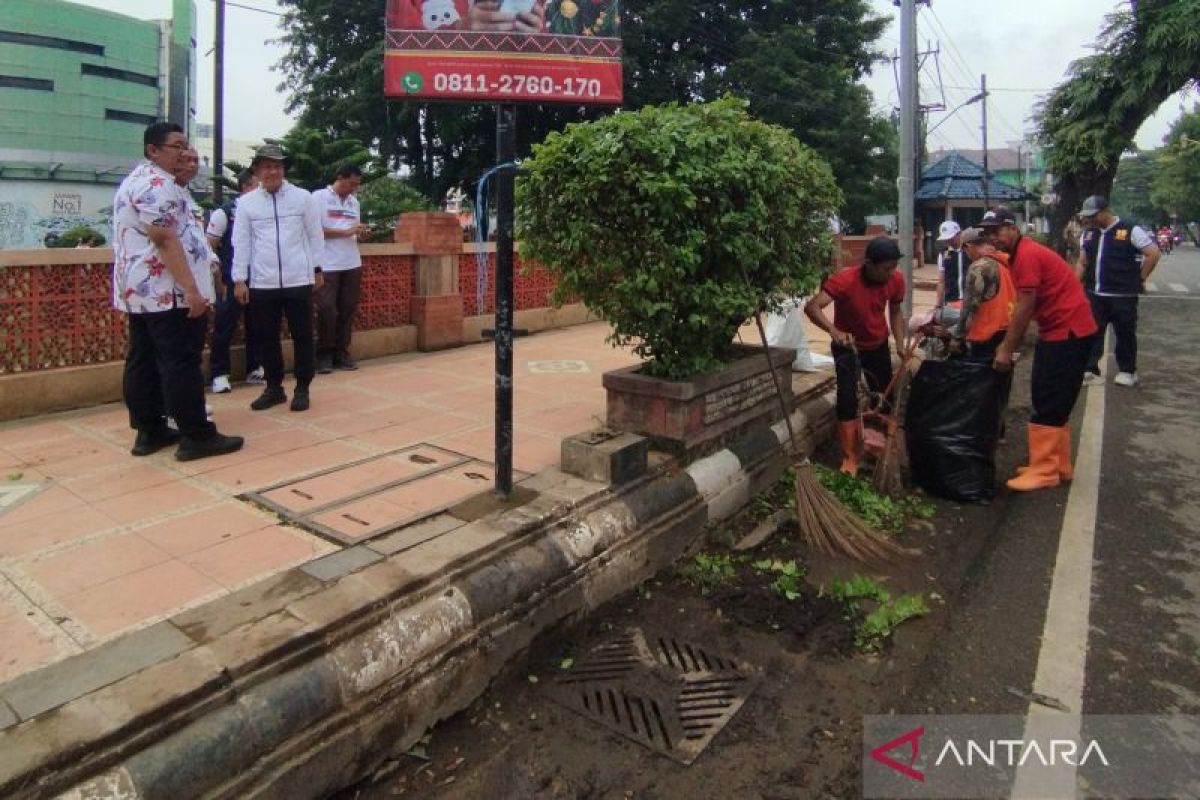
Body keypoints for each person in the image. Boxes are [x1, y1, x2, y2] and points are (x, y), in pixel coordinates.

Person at [111, 122, 243, 461]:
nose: (185, 153)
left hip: (143, 290)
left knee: (143, 359)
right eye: (178, 146)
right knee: (180, 361)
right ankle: (196, 435)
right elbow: (164, 239)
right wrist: (192, 290)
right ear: (153, 151)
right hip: (166, 291)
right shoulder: (157, 185)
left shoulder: (144, 180)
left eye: (187, 146)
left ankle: (150, 430)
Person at [983, 208, 1097, 492]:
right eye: (988, 233)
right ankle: (1058, 465)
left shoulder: (1027, 256)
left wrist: (1006, 348)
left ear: (1013, 228)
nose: (992, 238)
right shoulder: (1022, 253)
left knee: (1047, 396)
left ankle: (1044, 470)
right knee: (1056, 399)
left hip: (1066, 332)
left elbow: (1025, 306)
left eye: (997, 231)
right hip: (1068, 330)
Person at [231, 142, 325, 413]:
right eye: (266, 167)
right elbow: (241, 242)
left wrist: (317, 269)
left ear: (283, 169)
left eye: (277, 166)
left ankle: (302, 388)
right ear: (257, 171)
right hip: (263, 282)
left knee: (303, 335)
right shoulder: (246, 203)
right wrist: (239, 278)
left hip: (298, 279)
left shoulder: (303, 198)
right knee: (266, 337)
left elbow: (314, 234)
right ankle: (274, 388)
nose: (272, 171)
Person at [805, 236, 907, 476]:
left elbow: (895, 312)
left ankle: (877, 450)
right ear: (869, 264)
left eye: (893, 267)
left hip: (878, 345)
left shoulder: (896, 280)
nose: (890, 273)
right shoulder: (845, 279)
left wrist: (900, 344)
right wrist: (834, 330)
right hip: (847, 347)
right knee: (847, 400)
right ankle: (850, 457)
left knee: (884, 397)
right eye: (886, 268)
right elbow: (812, 306)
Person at [1075, 195, 1160, 387]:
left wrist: (1140, 279)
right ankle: (1089, 368)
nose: (1090, 219)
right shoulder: (1088, 234)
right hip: (1094, 294)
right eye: (1088, 216)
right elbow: (1082, 262)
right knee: (1091, 332)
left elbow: (1153, 254)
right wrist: (1074, 286)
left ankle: (1127, 371)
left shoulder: (1130, 229)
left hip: (1123, 295)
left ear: (1105, 211)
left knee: (1124, 334)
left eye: (1093, 215)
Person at [207, 169, 264, 393]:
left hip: (259, 277)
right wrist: (218, 276)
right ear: (245, 187)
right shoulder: (225, 213)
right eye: (257, 185)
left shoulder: (265, 211)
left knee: (257, 325)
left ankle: (255, 368)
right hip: (232, 279)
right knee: (225, 326)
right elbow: (210, 245)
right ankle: (219, 374)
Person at [313, 164, 369, 373]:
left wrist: (360, 233)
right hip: (327, 263)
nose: (353, 188)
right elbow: (315, 230)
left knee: (348, 309)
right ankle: (324, 354)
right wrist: (346, 232)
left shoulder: (354, 202)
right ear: (340, 178)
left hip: (351, 262)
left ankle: (342, 353)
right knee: (326, 309)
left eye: (357, 185)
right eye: (351, 183)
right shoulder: (319, 197)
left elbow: (353, 230)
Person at [953, 226, 1016, 359]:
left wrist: (958, 337)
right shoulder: (1007, 261)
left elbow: (970, 306)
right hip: (1009, 330)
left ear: (968, 246)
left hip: (986, 336)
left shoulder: (979, 267)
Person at [935, 220, 967, 309]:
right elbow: (941, 281)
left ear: (959, 234)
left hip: (969, 299)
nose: (949, 241)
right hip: (951, 300)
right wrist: (938, 304)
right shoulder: (943, 254)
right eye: (946, 239)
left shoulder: (970, 250)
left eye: (951, 238)